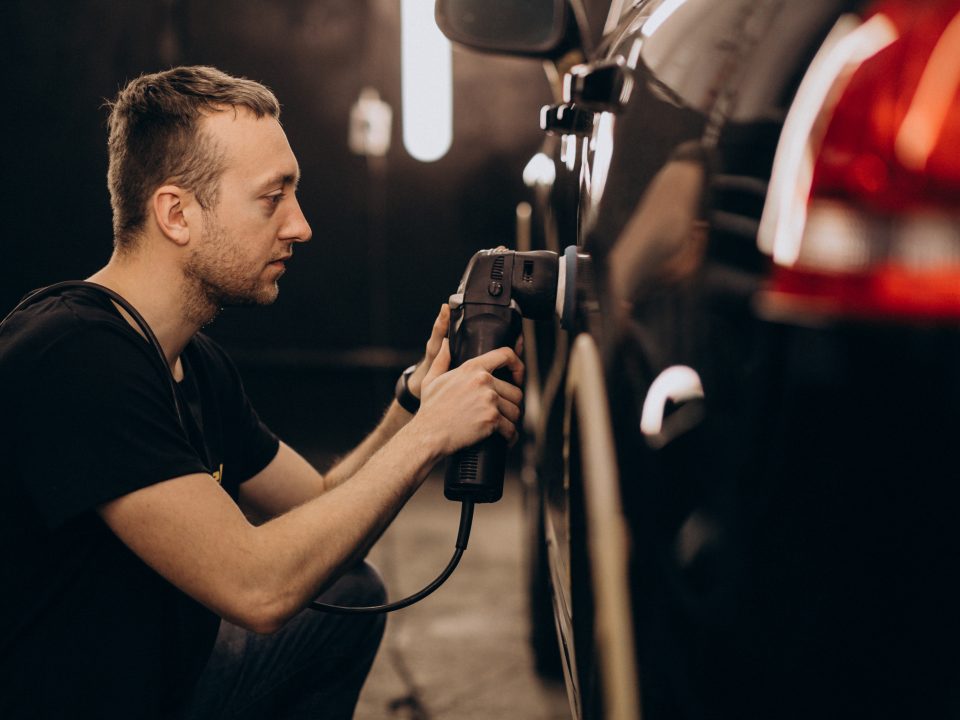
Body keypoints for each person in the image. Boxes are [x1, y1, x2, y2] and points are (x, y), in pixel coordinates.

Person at [0, 65, 523, 719]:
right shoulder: (76, 356)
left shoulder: (193, 360)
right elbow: (258, 588)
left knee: (348, 594)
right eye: (272, 198)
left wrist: (415, 400)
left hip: (167, 678)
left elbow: (324, 512)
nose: (300, 227)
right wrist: (431, 436)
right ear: (176, 213)